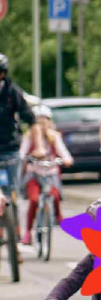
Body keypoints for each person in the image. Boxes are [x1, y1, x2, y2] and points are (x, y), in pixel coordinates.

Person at [19, 105, 74, 243]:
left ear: (49, 122)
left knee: (55, 196)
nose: (42, 124)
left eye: (44, 121)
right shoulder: (29, 137)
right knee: (34, 200)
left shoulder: (54, 137)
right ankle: (28, 232)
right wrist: (26, 158)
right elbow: (21, 153)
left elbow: (63, 152)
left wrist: (66, 159)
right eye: (38, 121)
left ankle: (57, 216)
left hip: (50, 172)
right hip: (34, 173)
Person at [0, 54, 37, 240]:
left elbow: (29, 117)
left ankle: (15, 231)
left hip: (10, 148)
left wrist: (36, 144)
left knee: (12, 191)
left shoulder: (12, 92)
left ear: (4, 73)